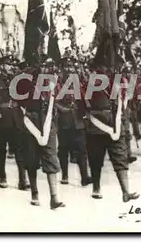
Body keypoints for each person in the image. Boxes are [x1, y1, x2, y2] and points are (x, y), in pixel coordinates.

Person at [84, 60, 139, 202]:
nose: (107, 68)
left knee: (120, 156)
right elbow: (84, 101)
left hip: (115, 122)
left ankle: (126, 192)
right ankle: (96, 188)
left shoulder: (118, 81)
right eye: (104, 65)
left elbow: (127, 97)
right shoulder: (92, 82)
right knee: (96, 159)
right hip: (97, 126)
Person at [15, 55, 65, 209]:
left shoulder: (53, 81)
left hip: (48, 121)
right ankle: (34, 193)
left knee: (51, 157)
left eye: (48, 66)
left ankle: (54, 197)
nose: (46, 69)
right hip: (32, 121)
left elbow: (58, 99)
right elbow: (19, 99)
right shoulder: (25, 81)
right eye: (42, 66)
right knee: (31, 159)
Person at [0, 55, 30, 189]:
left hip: (16, 117)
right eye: (8, 64)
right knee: (1, 148)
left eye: (12, 65)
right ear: (2, 66)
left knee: (19, 149)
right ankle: (2, 177)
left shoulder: (17, 80)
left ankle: (23, 180)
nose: (11, 67)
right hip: (2, 118)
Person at [56, 56, 92, 186]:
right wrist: (63, 110)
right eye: (67, 66)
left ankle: (84, 177)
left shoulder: (78, 83)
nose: (70, 69)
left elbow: (85, 99)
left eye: (71, 66)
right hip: (64, 120)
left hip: (78, 120)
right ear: (62, 68)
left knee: (82, 149)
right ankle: (65, 175)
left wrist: (87, 112)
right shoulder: (58, 83)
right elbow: (53, 102)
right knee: (63, 149)